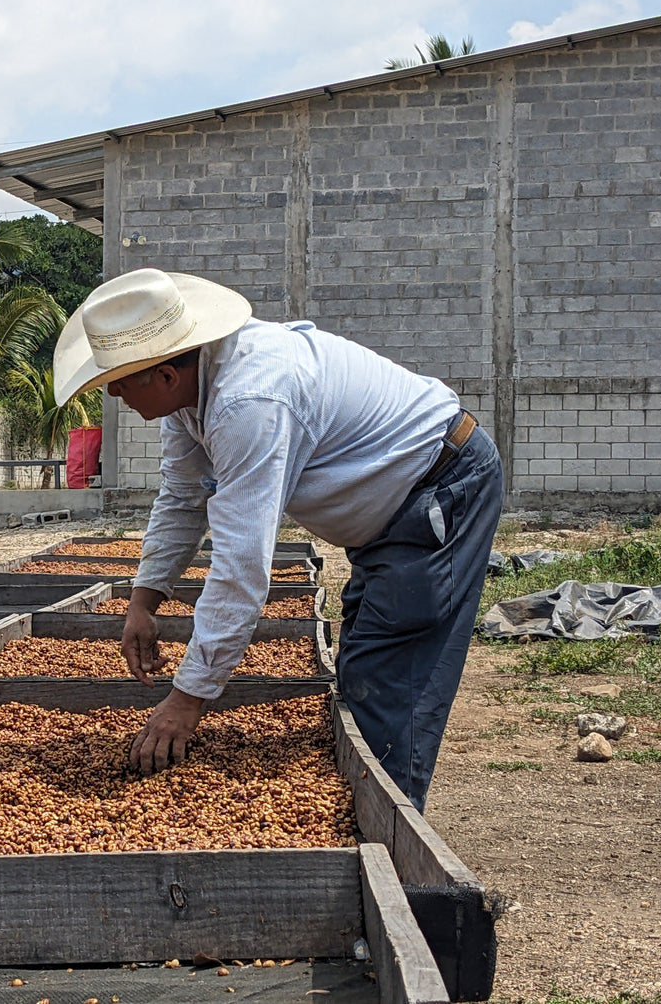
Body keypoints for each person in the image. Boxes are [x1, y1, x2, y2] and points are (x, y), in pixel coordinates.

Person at [52, 267, 503, 811]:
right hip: (391, 518)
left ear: (166, 374)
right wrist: (144, 601)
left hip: (440, 487)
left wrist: (187, 699)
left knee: (391, 682)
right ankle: (376, 813)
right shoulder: (192, 393)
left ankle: (397, 855)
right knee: (364, 664)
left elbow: (241, 567)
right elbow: (182, 497)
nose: (116, 393)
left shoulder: (251, 402)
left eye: (121, 381)